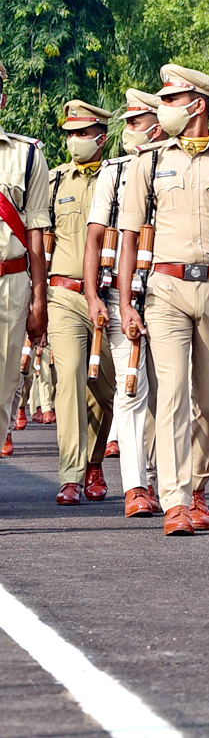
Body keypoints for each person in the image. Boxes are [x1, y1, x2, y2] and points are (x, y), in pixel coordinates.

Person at [118, 64, 209, 537]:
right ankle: (176, 499)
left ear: (197, 105)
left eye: (172, 101)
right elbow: (130, 237)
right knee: (173, 394)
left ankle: (198, 485)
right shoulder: (150, 161)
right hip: (166, 290)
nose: (165, 108)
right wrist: (125, 301)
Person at [84, 88, 164, 516]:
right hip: (122, 295)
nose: (129, 131)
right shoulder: (113, 173)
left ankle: (164, 481)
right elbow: (96, 237)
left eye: (136, 122)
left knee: (169, 394)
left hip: (171, 293)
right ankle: (136, 486)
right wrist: (94, 293)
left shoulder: (174, 164)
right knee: (132, 390)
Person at [47, 100, 117, 506]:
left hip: (109, 297)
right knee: (69, 379)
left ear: (100, 138)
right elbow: (44, 241)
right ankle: (71, 475)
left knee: (105, 390)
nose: (73, 141)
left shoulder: (121, 179)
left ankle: (94, 459)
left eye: (81, 133)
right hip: (65, 296)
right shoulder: (56, 182)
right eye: (69, 134)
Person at [0, 60, 51, 455]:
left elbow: (35, 230)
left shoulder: (28, 155)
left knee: (3, 385)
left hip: (12, 283)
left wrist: (39, 297)